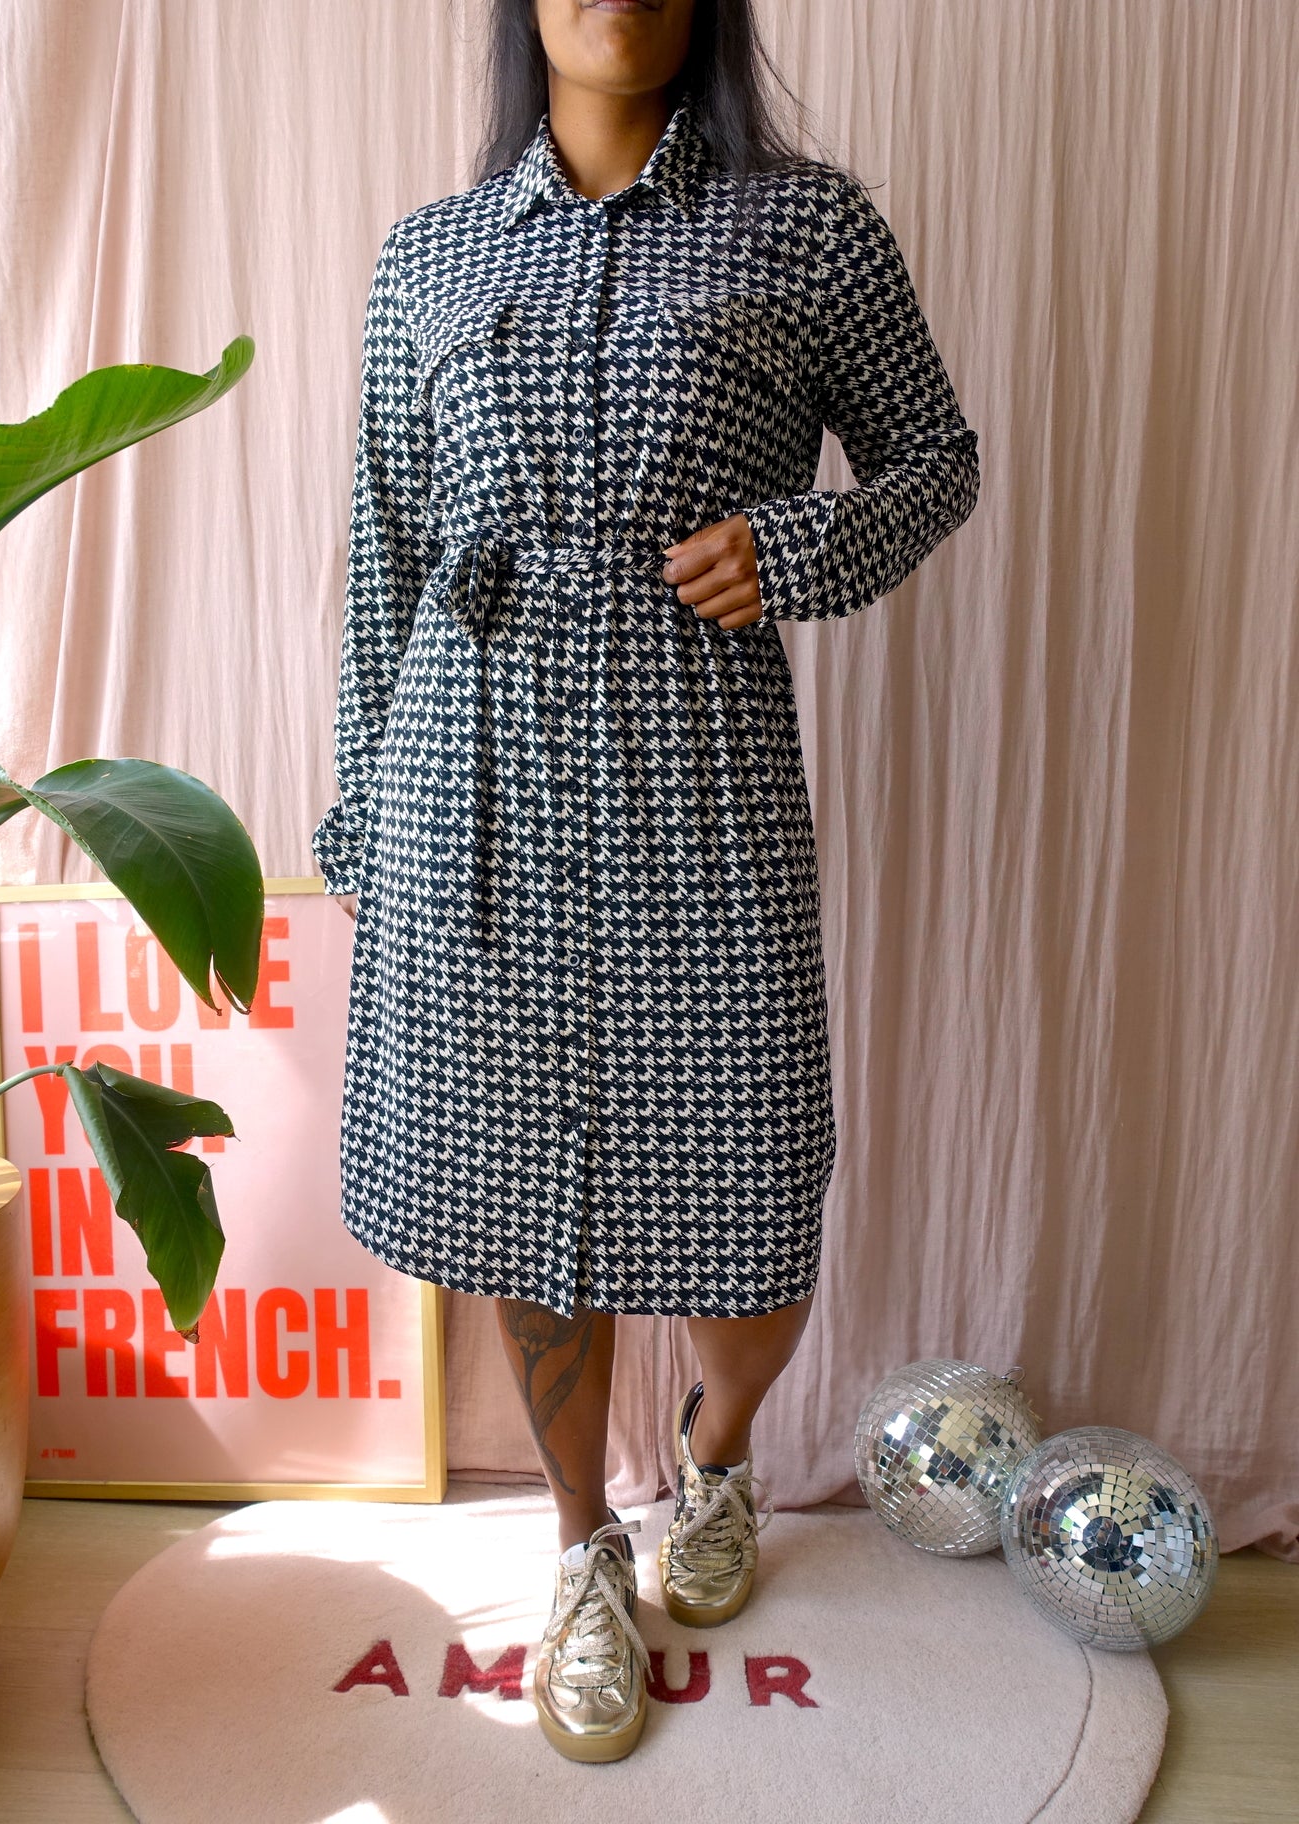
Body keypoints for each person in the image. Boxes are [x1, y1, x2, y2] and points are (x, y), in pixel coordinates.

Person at [312, 0, 979, 1766]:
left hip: (697, 768)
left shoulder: (807, 225)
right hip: (472, 774)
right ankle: (579, 1549)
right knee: (523, 1184)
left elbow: (937, 460)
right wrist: (363, 816)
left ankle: (718, 1452)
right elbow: (384, 551)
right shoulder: (431, 258)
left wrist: (795, 545)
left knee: (745, 1180)